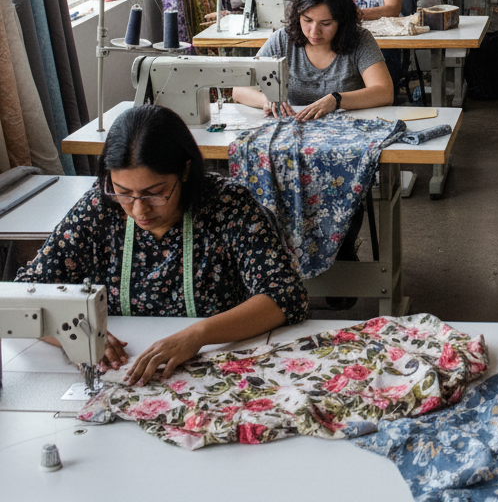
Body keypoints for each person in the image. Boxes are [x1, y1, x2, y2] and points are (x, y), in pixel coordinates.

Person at [16, 105, 308, 386]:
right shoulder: (98, 210)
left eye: (154, 193)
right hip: (128, 363)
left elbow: (285, 295)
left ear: (184, 170)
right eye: (124, 193)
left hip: (218, 359)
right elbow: (25, 295)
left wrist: (198, 335)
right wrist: (73, 334)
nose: (139, 210)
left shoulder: (228, 207)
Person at [234, 0, 393, 118]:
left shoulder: (360, 40)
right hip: (294, 127)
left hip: (347, 127)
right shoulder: (282, 40)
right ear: (298, 13)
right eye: (307, 20)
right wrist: (266, 100)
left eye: (326, 23)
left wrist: (336, 100)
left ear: (342, 20)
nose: (314, 31)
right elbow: (239, 89)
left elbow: (384, 92)